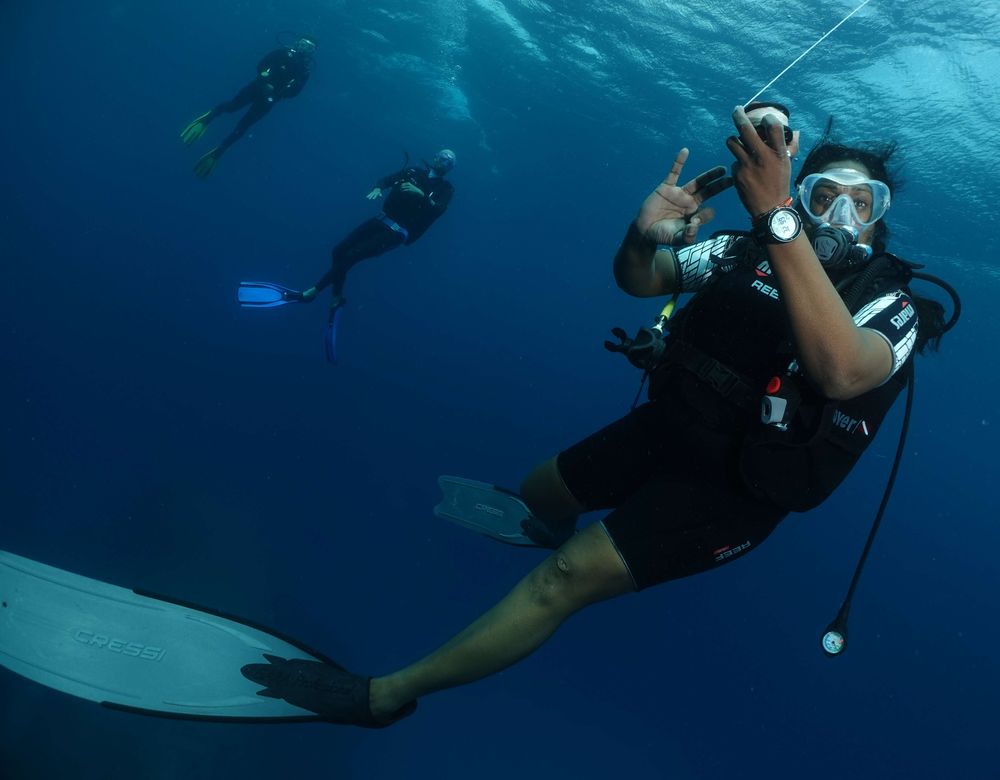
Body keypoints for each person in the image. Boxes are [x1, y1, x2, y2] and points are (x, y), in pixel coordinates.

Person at [229, 107, 953, 726]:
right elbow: (640, 279)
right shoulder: (742, 252)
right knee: (538, 492)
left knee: (562, 578)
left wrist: (779, 215)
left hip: (737, 486)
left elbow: (840, 369)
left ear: (881, 219)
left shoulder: (893, 305)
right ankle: (550, 524)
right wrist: (644, 234)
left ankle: (385, 695)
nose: (841, 217)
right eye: (825, 195)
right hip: (671, 426)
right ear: (804, 190)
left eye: (865, 203)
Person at [236, 149, 456, 363]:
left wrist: (421, 195)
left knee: (352, 256)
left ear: (450, 168)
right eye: (442, 156)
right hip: (381, 219)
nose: (444, 160)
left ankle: (310, 293)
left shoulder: (445, 188)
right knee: (338, 251)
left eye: (449, 161)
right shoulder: (413, 171)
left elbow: (438, 210)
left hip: (398, 232)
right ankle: (336, 299)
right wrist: (378, 187)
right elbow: (388, 179)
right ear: (434, 156)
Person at [181, 37, 316, 178]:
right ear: (297, 43)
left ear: (312, 52)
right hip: (256, 88)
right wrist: (266, 81)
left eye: (309, 47)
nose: (304, 49)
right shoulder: (283, 52)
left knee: (243, 126)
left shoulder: (304, 71)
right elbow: (261, 65)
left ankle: (221, 149)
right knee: (232, 107)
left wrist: (276, 93)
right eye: (303, 44)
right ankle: (209, 117)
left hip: (269, 100)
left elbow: (294, 92)